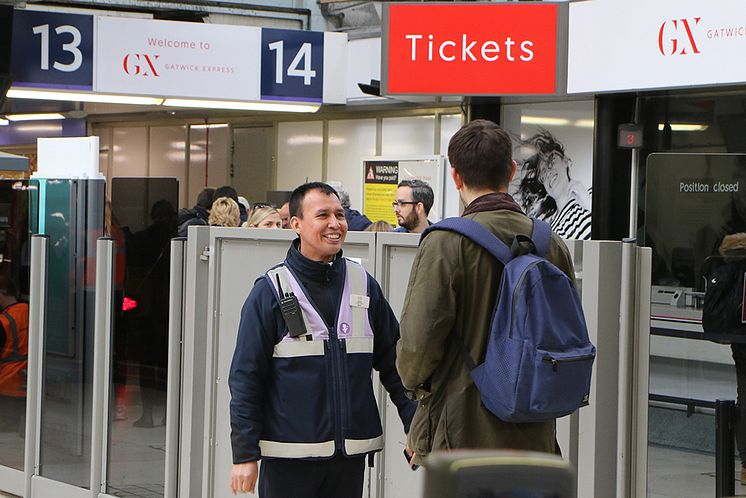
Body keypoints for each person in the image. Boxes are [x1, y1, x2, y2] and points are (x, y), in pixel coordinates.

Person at [396, 119, 577, 466]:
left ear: (456, 177)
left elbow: (417, 347)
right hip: (534, 426)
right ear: (510, 171)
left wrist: (414, 388)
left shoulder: (445, 243)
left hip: (460, 430)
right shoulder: (549, 242)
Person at [229, 182, 415, 497]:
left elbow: (396, 361)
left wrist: (415, 424)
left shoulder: (363, 285)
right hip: (289, 460)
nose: (335, 224)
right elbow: (246, 378)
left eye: (340, 214)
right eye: (323, 215)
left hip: (347, 461)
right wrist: (245, 455)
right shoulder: (271, 291)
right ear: (296, 224)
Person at [517, 129, 592, 240]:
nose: (548, 173)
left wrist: (589, 204)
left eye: (551, 162)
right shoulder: (551, 229)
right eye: (543, 173)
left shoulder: (593, 196)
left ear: (566, 161)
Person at [0, 275, 28, 433]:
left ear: (2, 293)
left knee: (6, 433)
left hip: (6, 385)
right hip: (27, 384)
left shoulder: (3, 321)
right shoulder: (31, 311)